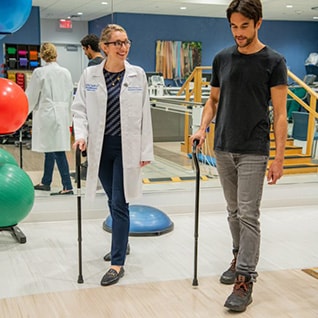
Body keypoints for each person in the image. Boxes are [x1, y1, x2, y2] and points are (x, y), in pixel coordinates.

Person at [191, 0, 287, 312]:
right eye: (234, 26)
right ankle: (238, 255)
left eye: (244, 26)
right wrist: (202, 128)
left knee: (249, 214)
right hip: (223, 146)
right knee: (233, 212)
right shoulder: (222, 59)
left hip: (254, 149)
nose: (238, 33)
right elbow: (212, 100)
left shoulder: (274, 61)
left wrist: (280, 158)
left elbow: (282, 114)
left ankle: (245, 278)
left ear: (258, 23)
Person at [72, 24, 154, 286]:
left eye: (126, 42)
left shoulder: (137, 75)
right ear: (104, 48)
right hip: (100, 147)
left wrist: (145, 150)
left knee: (120, 202)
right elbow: (80, 109)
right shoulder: (90, 76)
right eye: (117, 43)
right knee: (112, 199)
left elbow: (145, 114)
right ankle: (123, 241)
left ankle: (117, 263)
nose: (123, 47)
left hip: (126, 147)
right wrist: (81, 135)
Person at [26, 42, 74, 196]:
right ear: (56, 54)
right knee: (51, 149)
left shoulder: (39, 72)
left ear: (42, 55)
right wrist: (70, 119)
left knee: (57, 150)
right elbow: (69, 96)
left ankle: (67, 186)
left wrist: (23, 111)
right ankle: (46, 182)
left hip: (47, 114)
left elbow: (31, 96)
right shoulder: (66, 72)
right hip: (62, 113)